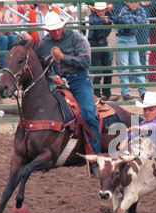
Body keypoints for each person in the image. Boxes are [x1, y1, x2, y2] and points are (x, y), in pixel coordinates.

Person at [35, 11, 101, 157]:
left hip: (79, 81)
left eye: (58, 28)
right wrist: (53, 77)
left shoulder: (75, 37)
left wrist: (62, 57)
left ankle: (95, 156)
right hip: (60, 84)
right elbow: (44, 68)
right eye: (53, 30)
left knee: (89, 115)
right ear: (48, 31)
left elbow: (86, 62)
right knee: (47, 115)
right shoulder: (44, 44)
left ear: (62, 26)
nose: (57, 32)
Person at [113, 1, 149, 101]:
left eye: (136, 2)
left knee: (137, 66)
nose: (134, 4)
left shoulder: (140, 9)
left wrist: (133, 18)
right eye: (131, 2)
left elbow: (145, 21)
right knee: (124, 67)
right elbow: (129, 23)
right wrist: (136, 20)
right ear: (126, 3)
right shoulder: (124, 10)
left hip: (132, 38)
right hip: (122, 39)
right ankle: (125, 93)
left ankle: (143, 91)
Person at [88, 2, 114, 101]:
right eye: (98, 10)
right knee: (98, 71)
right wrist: (105, 20)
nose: (100, 12)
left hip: (103, 44)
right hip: (94, 44)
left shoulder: (108, 16)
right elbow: (94, 21)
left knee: (108, 70)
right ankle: (97, 95)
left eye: (102, 10)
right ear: (95, 10)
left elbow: (116, 18)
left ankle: (107, 94)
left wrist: (108, 19)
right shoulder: (93, 17)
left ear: (105, 10)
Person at [0, 4, 16, 69]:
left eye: (2, 6)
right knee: (4, 38)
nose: (0, 8)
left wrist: (2, 19)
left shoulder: (7, 17)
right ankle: (2, 65)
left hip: (5, 41)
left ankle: (12, 62)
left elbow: (10, 31)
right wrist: (0, 20)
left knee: (12, 37)